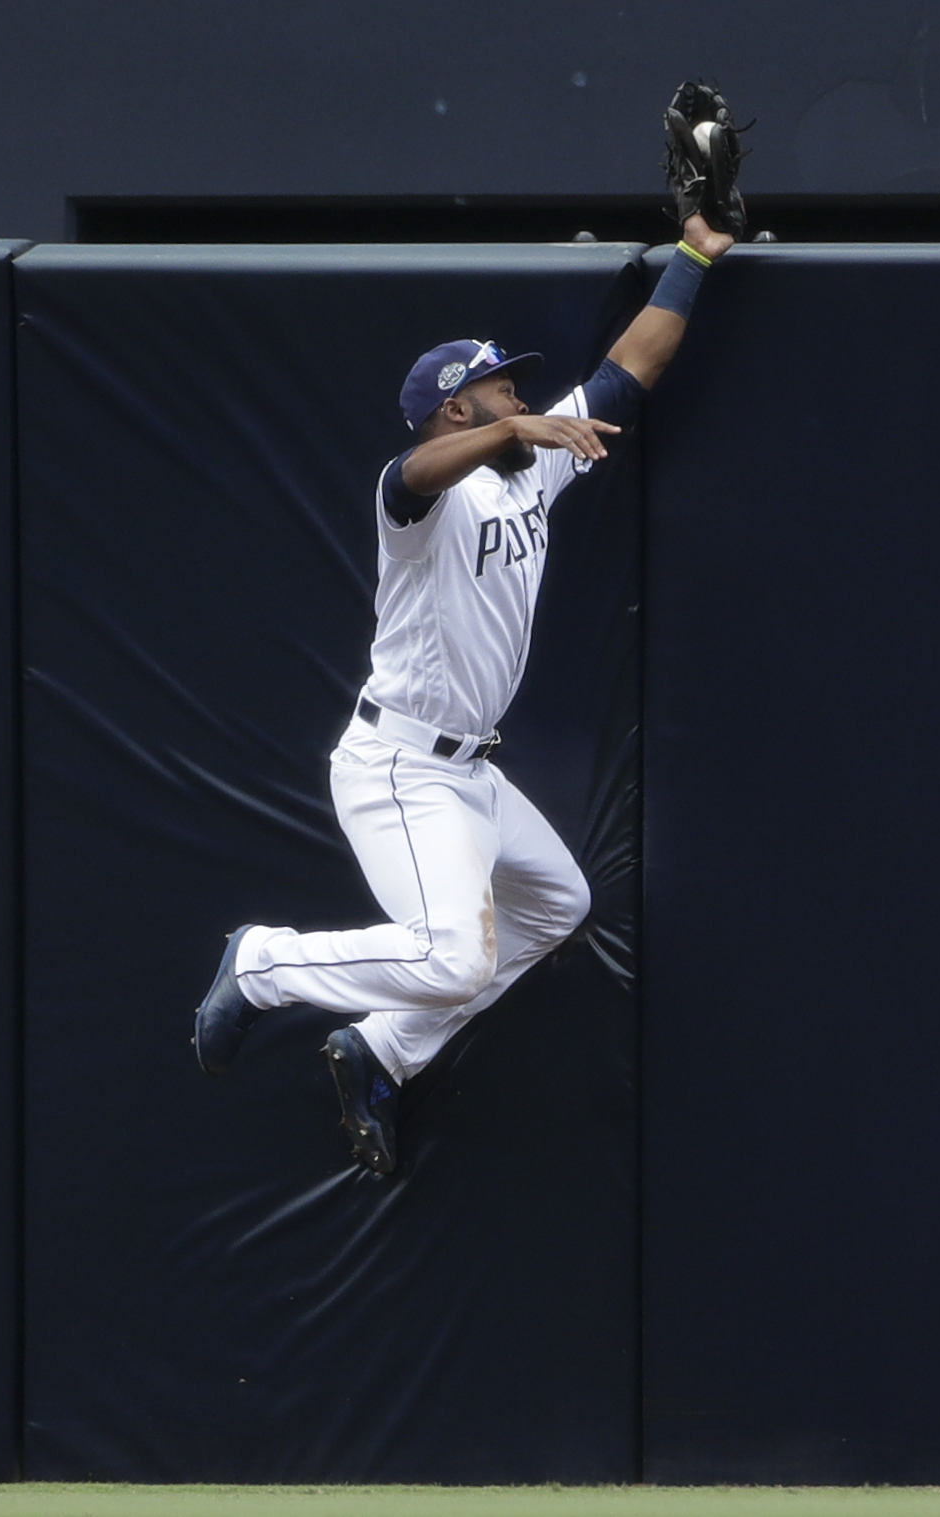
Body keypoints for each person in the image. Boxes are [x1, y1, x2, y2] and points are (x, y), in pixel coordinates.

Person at [191, 214, 735, 1176]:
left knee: (557, 906)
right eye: (499, 389)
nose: (519, 396)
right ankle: (262, 962)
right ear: (457, 410)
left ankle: (383, 1048)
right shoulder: (422, 501)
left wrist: (694, 254)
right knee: (454, 957)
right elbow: (408, 474)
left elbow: (629, 368)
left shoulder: (532, 470)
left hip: (470, 770)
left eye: (518, 387)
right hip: (398, 766)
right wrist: (517, 428)